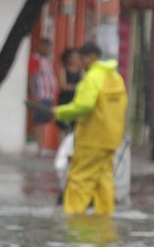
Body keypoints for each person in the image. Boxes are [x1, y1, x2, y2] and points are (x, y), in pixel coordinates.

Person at [53, 42, 127, 215]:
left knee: (80, 179)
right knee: (104, 180)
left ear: (92, 57)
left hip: (91, 139)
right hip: (111, 139)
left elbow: (83, 106)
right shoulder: (115, 78)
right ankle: (104, 218)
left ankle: (73, 216)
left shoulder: (92, 78)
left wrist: (58, 112)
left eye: (82, 58)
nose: (80, 63)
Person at [28, 39, 59, 154]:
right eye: (45, 47)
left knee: (44, 121)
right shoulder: (36, 59)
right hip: (40, 95)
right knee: (39, 122)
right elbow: (32, 76)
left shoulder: (47, 60)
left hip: (48, 95)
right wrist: (34, 94)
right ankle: (39, 147)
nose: (47, 50)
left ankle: (42, 146)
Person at [56, 47, 83, 131]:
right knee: (63, 124)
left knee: (74, 124)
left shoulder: (80, 71)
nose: (75, 60)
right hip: (65, 99)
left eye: (77, 57)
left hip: (75, 99)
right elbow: (63, 85)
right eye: (73, 57)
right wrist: (76, 87)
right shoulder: (63, 69)